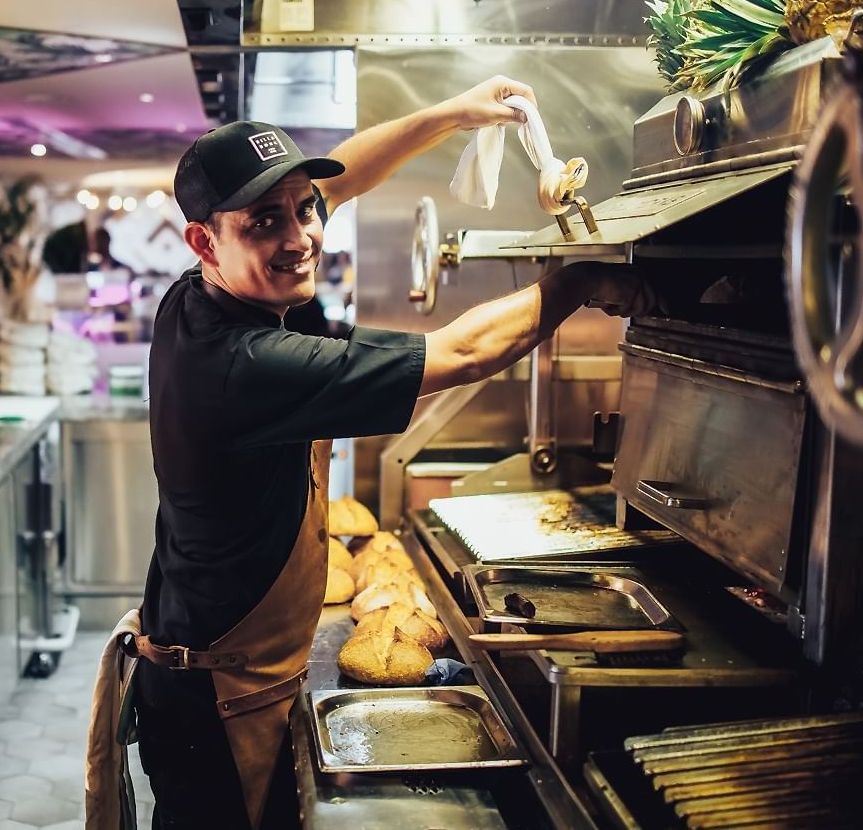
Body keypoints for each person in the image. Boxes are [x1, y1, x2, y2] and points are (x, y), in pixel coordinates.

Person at [130, 77, 658, 830]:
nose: (300, 236)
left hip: (219, 656)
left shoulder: (207, 293)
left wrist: (452, 112)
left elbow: (341, 176)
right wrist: (579, 279)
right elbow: (467, 350)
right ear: (203, 241)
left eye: (301, 208)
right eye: (264, 222)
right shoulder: (244, 362)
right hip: (218, 698)